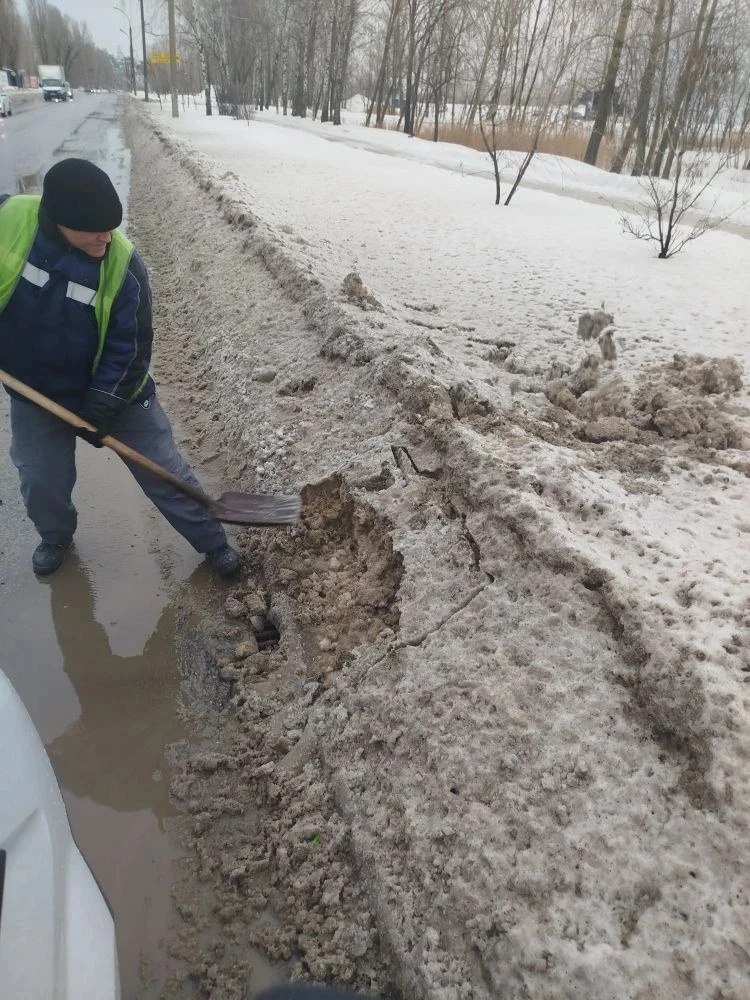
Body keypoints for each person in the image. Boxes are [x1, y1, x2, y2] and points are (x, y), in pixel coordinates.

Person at [0, 157, 240, 577]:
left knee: (165, 471)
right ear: (59, 220)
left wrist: (101, 409)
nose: (106, 237)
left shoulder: (124, 266)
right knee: (40, 479)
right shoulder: (11, 223)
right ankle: (55, 536)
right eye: (94, 229)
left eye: (110, 226)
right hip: (34, 389)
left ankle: (213, 542)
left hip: (115, 395)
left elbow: (128, 351)